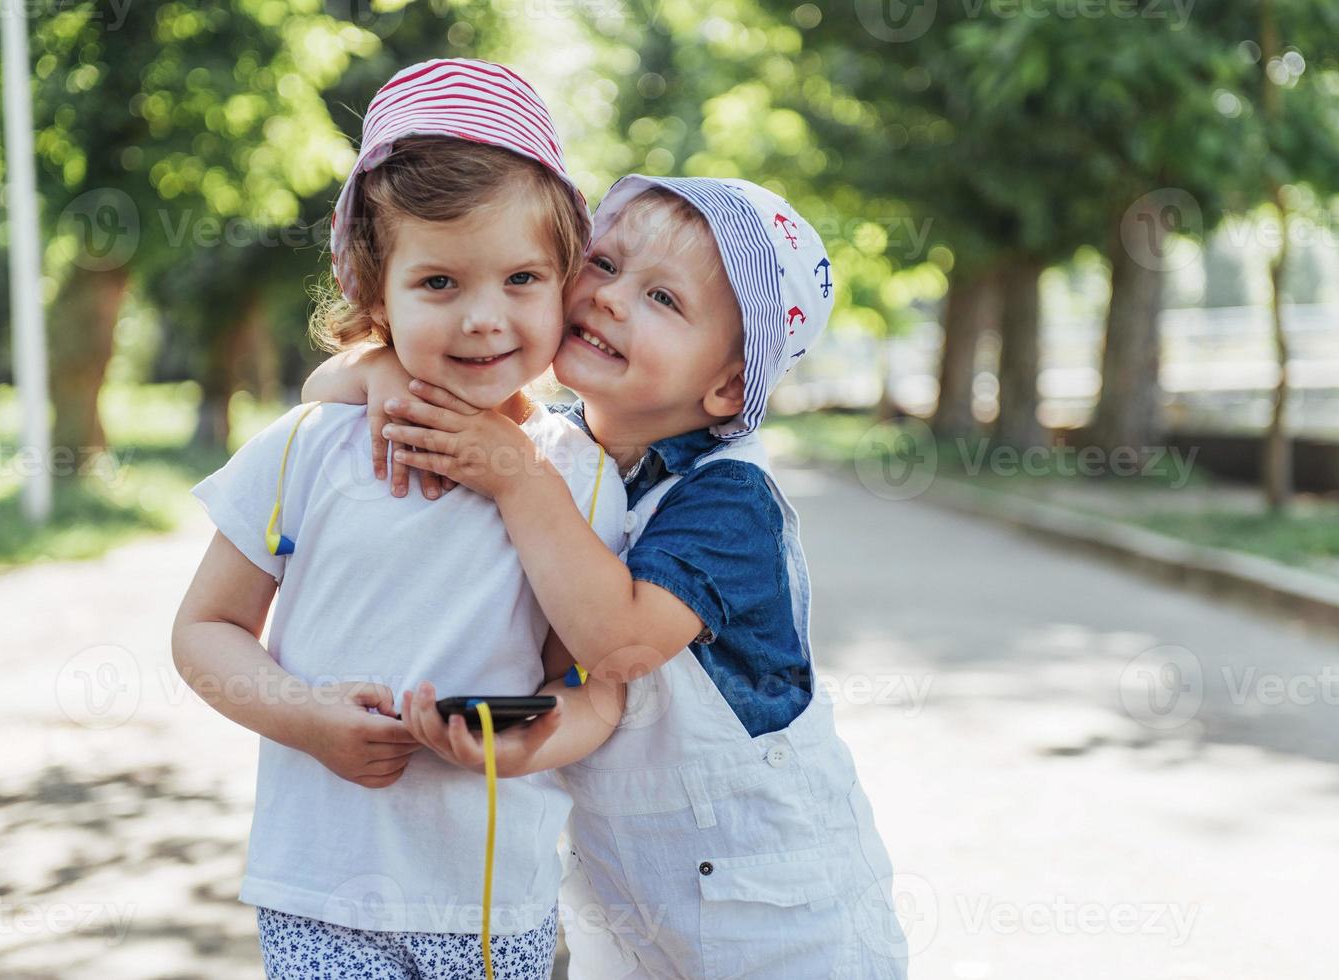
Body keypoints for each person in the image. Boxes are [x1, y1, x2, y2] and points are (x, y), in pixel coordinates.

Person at [304, 176, 910, 978]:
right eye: (604, 263)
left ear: (727, 384)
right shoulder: (553, 441)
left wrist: (518, 479)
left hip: (779, 911)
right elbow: (322, 392)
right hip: (622, 901)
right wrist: (388, 377)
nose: (613, 300)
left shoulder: (728, 500)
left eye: (663, 298)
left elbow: (616, 644)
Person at [170, 59, 627, 980]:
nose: (483, 320)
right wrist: (304, 716)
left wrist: (536, 738)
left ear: (566, 279)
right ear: (375, 293)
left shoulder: (580, 478)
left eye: (521, 278)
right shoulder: (308, 447)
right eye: (439, 284)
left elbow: (593, 679)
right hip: (319, 892)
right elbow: (203, 631)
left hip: (489, 897)